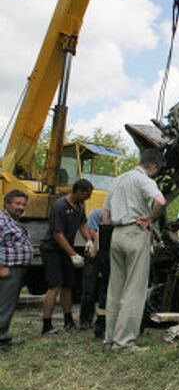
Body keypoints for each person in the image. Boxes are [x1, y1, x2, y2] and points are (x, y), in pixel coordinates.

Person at [102, 148, 166, 351]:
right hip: (135, 233)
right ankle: (124, 342)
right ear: (153, 167)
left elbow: (105, 212)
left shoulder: (118, 180)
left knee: (115, 289)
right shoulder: (144, 180)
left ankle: (110, 338)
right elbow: (160, 201)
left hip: (116, 234)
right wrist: (149, 218)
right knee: (134, 289)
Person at [40, 179, 94, 335]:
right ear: (79, 191)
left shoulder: (80, 205)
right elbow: (57, 234)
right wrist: (73, 255)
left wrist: (88, 239)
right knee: (55, 285)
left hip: (65, 248)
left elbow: (83, 224)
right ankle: (47, 325)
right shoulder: (60, 206)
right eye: (87, 194)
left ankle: (68, 321)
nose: (89, 198)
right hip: (52, 249)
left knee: (68, 285)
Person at [0, 190, 33, 352]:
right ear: (6, 204)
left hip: (15, 270)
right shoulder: (2, 221)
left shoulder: (13, 221)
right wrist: (1, 266)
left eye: (24, 204)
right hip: (7, 270)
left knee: (8, 305)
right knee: (4, 305)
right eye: (17, 203)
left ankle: (3, 336)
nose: (21, 207)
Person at [78, 208, 103, 330]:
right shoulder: (97, 214)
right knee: (89, 288)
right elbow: (92, 232)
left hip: (111, 253)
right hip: (95, 252)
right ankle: (85, 320)